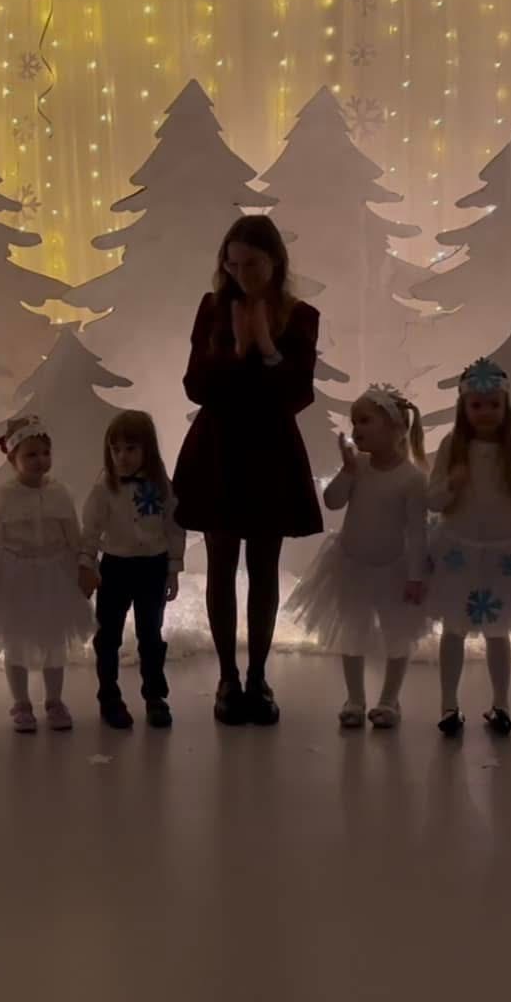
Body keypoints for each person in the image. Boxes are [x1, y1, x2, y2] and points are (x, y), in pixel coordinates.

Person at [174, 215, 323, 727]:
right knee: (221, 563)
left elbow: (297, 394)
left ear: (275, 262)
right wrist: (239, 352)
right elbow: (196, 385)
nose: (241, 274)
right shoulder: (214, 308)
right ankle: (227, 678)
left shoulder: (300, 316)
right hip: (218, 450)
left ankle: (258, 677)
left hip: (270, 453)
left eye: (252, 264)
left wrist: (268, 348)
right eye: (233, 264)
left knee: (263, 566)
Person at [285, 385, 429, 731]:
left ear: (395, 428)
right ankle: (355, 698)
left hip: (394, 568)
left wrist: (416, 576)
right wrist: (348, 470)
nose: (356, 429)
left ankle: (389, 699)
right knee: (352, 631)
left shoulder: (412, 478)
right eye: (354, 422)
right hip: (352, 564)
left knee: (396, 634)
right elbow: (333, 501)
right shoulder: (359, 467)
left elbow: (417, 532)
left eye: (365, 421)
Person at [426, 357, 511, 738]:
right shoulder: (451, 447)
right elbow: (433, 500)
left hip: (501, 554)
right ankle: (448, 704)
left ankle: (501, 704)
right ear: (464, 407)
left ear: (506, 406)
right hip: (458, 551)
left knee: (498, 631)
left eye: (493, 404)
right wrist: (453, 484)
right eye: (477, 405)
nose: (486, 412)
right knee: (454, 629)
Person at [0, 415, 90, 734]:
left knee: (54, 641)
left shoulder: (60, 492)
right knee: (16, 640)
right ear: (12, 458)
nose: (40, 460)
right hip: (16, 575)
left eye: (45, 453)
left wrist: (84, 565)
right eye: (31, 454)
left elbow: (73, 532)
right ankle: (21, 702)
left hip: (54, 572)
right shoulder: (1, 496)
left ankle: (54, 700)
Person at [79, 410, 184, 731]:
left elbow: (174, 528)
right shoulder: (103, 489)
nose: (122, 457)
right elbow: (90, 530)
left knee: (150, 635)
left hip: (152, 567)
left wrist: (173, 569)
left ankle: (155, 696)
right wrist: (86, 565)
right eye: (116, 449)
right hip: (115, 567)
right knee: (108, 635)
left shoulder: (162, 487)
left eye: (131, 448)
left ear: (147, 449)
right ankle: (109, 697)